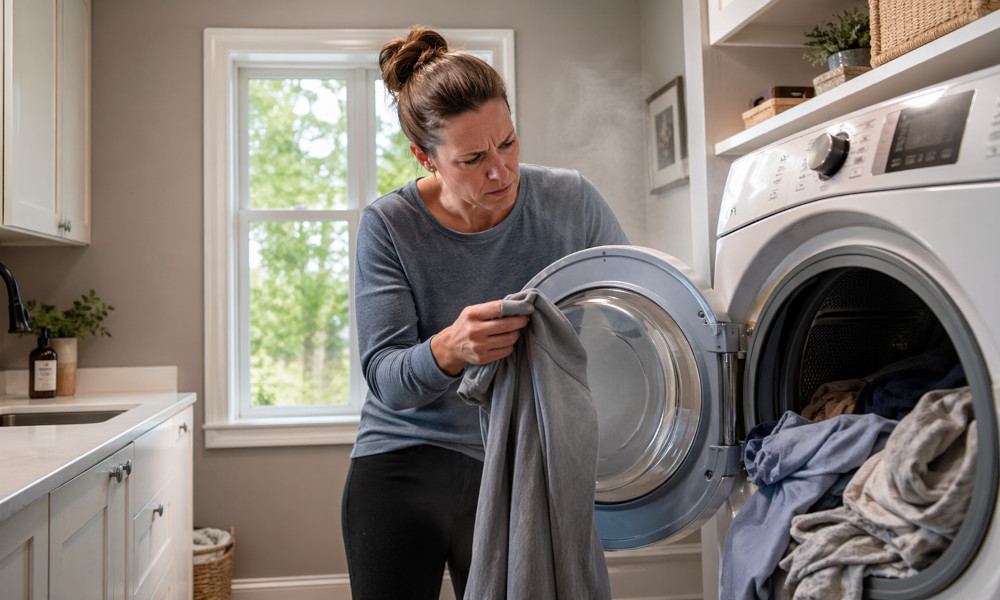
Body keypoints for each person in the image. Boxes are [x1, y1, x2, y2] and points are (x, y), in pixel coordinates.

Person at [341, 27, 630, 600]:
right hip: (402, 458)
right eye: (472, 158)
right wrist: (450, 349)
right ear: (426, 157)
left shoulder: (571, 201)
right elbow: (386, 380)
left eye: (508, 143)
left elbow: (633, 310)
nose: (500, 172)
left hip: (520, 458)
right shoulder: (390, 226)